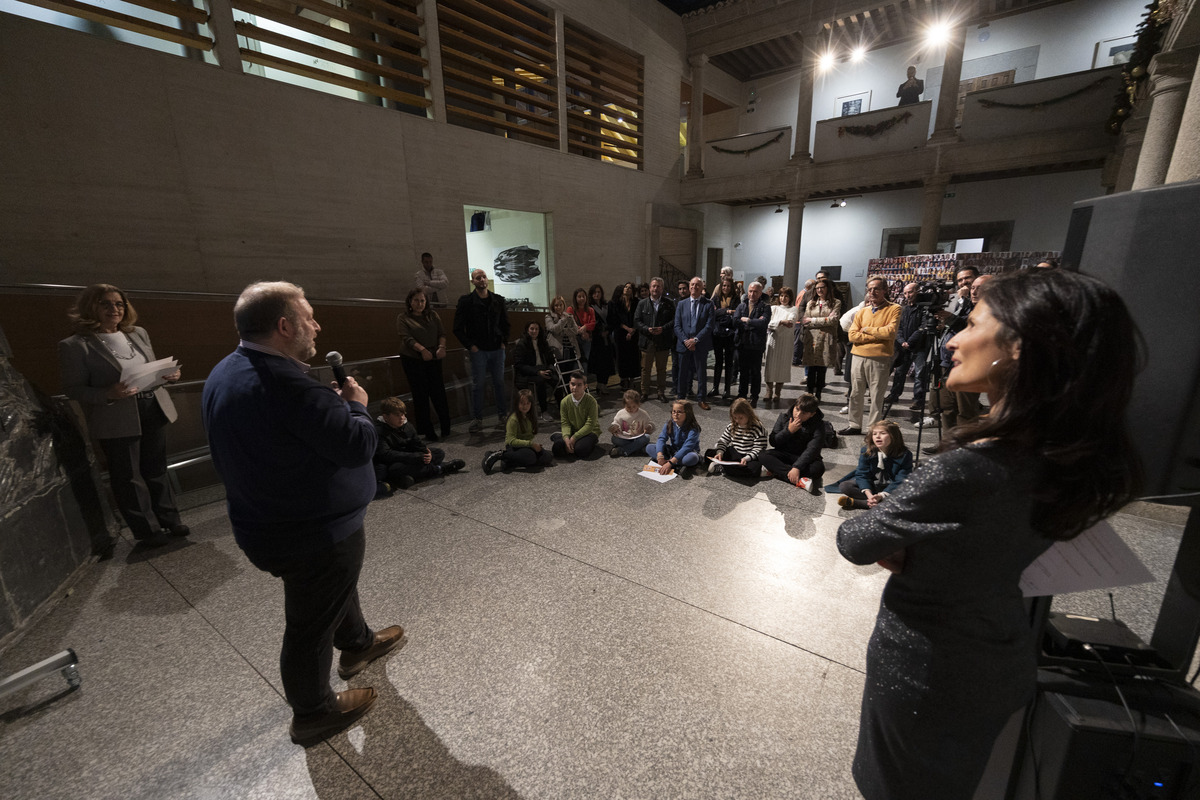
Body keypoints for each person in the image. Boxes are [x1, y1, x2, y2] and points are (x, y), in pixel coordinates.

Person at [836, 269, 1142, 800]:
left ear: (1018, 347)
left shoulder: (967, 470)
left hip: (927, 668)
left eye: (972, 322)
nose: (952, 339)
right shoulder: (1063, 457)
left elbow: (856, 540)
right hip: (1000, 655)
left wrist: (904, 536)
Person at [201, 281, 403, 746]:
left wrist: (330, 409)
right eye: (309, 317)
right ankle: (313, 711)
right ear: (284, 325)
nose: (317, 325)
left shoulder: (226, 371)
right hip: (312, 532)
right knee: (311, 621)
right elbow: (357, 446)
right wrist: (355, 407)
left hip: (272, 518)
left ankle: (356, 644)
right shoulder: (287, 384)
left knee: (333, 591)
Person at [59, 283, 188, 545]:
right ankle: (148, 532)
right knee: (128, 475)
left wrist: (168, 376)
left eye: (119, 304)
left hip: (152, 406)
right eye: (105, 303)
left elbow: (148, 372)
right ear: (90, 307)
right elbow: (73, 389)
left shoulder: (138, 333)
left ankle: (170, 520)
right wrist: (107, 393)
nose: (114, 309)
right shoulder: (75, 345)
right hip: (114, 415)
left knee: (156, 468)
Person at [842, 276, 901, 435]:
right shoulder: (861, 312)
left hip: (879, 358)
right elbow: (852, 335)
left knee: (876, 395)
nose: (872, 292)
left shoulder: (894, 309)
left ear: (884, 290)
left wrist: (867, 330)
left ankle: (873, 428)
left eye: (876, 289)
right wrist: (876, 336)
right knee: (855, 393)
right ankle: (854, 425)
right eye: (870, 289)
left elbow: (889, 332)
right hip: (857, 357)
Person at [454, 269, 510, 432]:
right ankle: (477, 419)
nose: (482, 280)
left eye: (484, 277)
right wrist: (471, 346)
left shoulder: (498, 300)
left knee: (499, 383)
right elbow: (457, 328)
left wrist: (503, 342)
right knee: (478, 385)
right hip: (478, 351)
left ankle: (502, 416)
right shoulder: (466, 302)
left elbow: (506, 324)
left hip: (497, 349)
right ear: (473, 281)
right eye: (478, 278)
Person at [372, 397, 465, 494]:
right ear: (386, 417)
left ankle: (405, 477)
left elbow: (417, 443)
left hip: (410, 457)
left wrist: (425, 453)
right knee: (395, 469)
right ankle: (440, 468)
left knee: (438, 453)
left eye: (403, 414)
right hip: (393, 462)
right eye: (397, 415)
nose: (402, 418)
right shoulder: (379, 431)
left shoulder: (406, 425)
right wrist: (415, 457)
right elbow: (386, 454)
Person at [396, 287, 451, 440]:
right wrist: (422, 350)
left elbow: (442, 334)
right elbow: (406, 338)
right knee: (420, 395)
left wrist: (441, 347)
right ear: (410, 301)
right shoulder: (403, 317)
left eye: (422, 300)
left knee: (438, 392)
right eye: (416, 300)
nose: (419, 303)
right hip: (413, 359)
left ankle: (446, 426)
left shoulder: (433, 315)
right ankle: (428, 430)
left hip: (433, 357)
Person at [832, 420, 913, 510]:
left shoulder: (905, 454)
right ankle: (877, 504)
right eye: (874, 434)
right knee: (845, 486)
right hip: (874, 485)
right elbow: (862, 474)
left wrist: (882, 495)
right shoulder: (867, 450)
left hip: (891, 488)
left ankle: (858, 503)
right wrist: (869, 494)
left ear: (893, 436)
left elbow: (901, 480)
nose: (877, 436)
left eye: (882, 433)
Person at [759, 394, 825, 494]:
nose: (798, 414)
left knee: (818, 469)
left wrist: (797, 467)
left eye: (804, 413)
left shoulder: (818, 425)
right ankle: (800, 481)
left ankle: (777, 471)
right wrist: (788, 431)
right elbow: (773, 441)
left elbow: (813, 449)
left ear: (812, 414)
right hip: (784, 454)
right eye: (797, 409)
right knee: (763, 455)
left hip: (803, 458)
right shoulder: (784, 417)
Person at [482, 389, 553, 474]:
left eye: (528, 403)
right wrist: (531, 444)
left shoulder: (530, 416)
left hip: (526, 446)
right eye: (522, 403)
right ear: (517, 403)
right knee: (530, 457)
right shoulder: (513, 419)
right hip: (514, 447)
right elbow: (510, 441)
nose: (525, 406)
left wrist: (534, 446)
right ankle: (500, 455)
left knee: (547, 457)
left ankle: (510, 461)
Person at [883, 283, 927, 417]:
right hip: (904, 347)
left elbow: (923, 327)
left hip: (920, 347)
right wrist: (902, 341)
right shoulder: (904, 309)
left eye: (910, 292)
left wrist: (911, 341)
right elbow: (899, 327)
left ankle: (918, 400)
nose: (908, 295)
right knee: (899, 372)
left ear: (917, 292)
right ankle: (894, 394)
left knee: (920, 374)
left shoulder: (924, 309)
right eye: (906, 293)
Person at [674, 277, 715, 410]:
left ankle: (701, 398)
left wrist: (695, 340)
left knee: (701, 372)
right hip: (684, 343)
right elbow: (677, 325)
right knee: (682, 372)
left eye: (697, 285)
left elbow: (709, 326)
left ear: (702, 288)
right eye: (692, 285)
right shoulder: (681, 304)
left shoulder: (708, 304)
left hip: (700, 343)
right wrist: (686, 341)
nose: (694, 287)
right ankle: (681, 397)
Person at [634, 277, 675, 402]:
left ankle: (661, 392)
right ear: (650, 288)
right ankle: (645, 392)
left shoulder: (668, 303)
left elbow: (674, 321)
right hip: (647, 341)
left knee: (661, 369)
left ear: (662, 289)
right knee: (645, 369)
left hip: (662, 341)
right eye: (654, 286)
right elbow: (636, 320)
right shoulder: (642, 303)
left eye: (658, 286)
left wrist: (663, 328)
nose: (655, 288)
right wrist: (647, 329)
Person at [800, 279, 841, 402]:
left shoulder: (835, 303)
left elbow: (833, 320)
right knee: (811, 367)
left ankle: (818, 393)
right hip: (811, 338)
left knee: (822, 367)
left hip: (826, 338)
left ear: (828, 288)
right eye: (817, 288)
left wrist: (813, 321)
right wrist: (823, 321)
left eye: (822, 287)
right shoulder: (811, 303)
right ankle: (809, 393)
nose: (819, 290)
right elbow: (805, 321)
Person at [704, 397, 767, 477]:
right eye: (735, 418)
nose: (737, 421)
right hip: (735, 453)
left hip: (749, 456)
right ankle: (724, 465)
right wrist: (720, 453)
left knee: (752, 469)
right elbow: (723, 440)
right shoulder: (732, 425)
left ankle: (723, 467)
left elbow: (759, 449)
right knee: (708, 454)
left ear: (748, 414)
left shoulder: (757, 427)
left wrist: (746, 458)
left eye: (741, 418)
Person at [733, 280, 770, 407]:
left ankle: (754, 396)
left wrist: (748, 321)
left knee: (755, 372)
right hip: (742, 343)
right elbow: (735, 321)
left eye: (755, 292)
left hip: (756, 345)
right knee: (743, 371)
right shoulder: (741, 306)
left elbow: (763, 323)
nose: (752, 294)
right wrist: (754, 322)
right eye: (750, 291)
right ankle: (742, 395)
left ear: (760, 293)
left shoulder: (765, 307)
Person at [511, 320, 557, 421]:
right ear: (527, 330)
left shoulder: (543, 342)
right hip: (528, 372)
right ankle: (544, 411)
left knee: (556, 379)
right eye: (532, 329)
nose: (534, 331)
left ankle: (562, 408)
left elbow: (551, 359)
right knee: (541, 382)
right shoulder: (522, 344)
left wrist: (550, 369)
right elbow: (519, 365)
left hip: (543, 369)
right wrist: (537, 372)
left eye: (536, 329)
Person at [551, 371, 600, 460]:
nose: (575, 387)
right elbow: (565, 423)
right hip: (573, 430)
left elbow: (590, 425)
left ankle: (563, 439)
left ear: (585, 386)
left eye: (579, 385)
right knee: (556, 450)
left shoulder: (591, 401)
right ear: (569, 384)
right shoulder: (564, 402)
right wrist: (566, 439)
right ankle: (561, 437)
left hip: (590, 432)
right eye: (572, 384)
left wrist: (574, 438)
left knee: (581, 450)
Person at [764, 286, 798, 405]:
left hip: (785, 341)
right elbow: (767, 323)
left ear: (790, 297)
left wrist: (777, 325)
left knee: (782, 366)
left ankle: (777, 392)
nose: (783, 298)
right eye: (782, 296)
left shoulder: (794, 309)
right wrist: (781, 322)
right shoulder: (773, 308)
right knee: (770, 365)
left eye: (786, 296)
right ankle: (768, 391)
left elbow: (791, 323)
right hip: (772, 340)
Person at [648, 399, 701, 476]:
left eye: (679, 412)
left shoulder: (693, 428)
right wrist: (660, 455)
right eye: (674, 411)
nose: (676, 414)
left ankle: (670, 462)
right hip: (673, 451)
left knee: (692, 458)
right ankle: (672, 463)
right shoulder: (669, 423)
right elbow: (661, 439)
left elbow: (687, 447)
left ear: (687, 413)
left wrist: (670, 462)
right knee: (649, 447)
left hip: (688, 452)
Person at [710, 275, 741, 401]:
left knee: (729, 363)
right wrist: (727, 311)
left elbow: (737, 314)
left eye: (728, 286)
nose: (725, 288)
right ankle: (715, 387)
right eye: (723, 285)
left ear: (731, 287)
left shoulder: (736, 299)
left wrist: (722, 312)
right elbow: (713, 313)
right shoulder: (716, 298)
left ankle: (727, 389)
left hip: (730, 335)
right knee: (718, 362)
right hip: (718, 334)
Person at [611, 282, 640, 391]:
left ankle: (632, 380)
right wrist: (627, 329)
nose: (627, 289)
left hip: (634, 333)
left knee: (633, 356)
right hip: (621, 333)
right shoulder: (617, 303)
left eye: (630, 288)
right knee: (622, 357)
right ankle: (624, 379)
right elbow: (615, 319)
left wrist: (632, 330)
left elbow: (639, 317)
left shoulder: (636, 302)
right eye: (626, 287)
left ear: (633, 291)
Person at [608, 389, 654, 457]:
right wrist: (615, 427)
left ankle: (621, 450)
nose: (631, 409)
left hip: (638, 437)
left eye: (634, 406)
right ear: (624, 405)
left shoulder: (643, 413)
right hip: (624, 437)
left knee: (646, 438)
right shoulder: (621, 413)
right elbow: (616, 422)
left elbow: (650, 424)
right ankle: (638, 448)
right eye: (628, 407)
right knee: (614, 439)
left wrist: (649, 427)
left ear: (638, 404)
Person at [588, 284, 615, 396]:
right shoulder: (590, 307)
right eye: (594, 292)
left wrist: (608, 330)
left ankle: (604, 384)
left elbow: (612, 319)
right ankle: (600, 385)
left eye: (599, 292)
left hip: (607, 338)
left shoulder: (606, 305)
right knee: (599, 363)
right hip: (596, 340)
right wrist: (599, 332)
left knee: (608, 361)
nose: (597, 294)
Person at [544, 295, 581, 363]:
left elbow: (575, 330)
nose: (559, 307)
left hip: (570, 346)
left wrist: (562, 331)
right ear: (553, 306)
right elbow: (554, 329)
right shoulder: (549, 317)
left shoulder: (569, 316)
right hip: (557, 348)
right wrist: (563, 320)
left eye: (561, 305)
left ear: (564, 305)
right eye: (556, 305)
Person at [568, 287, 596, 366]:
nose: (582, 298)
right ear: (575, 298)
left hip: (587, 339)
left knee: (584, 361)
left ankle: (584, 378)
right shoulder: (571, 309)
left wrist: (585, 327)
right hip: (575, 339)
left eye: (583, 296)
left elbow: (593, 324)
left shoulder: (590, 310)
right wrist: (582, 331)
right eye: (579, 296)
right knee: (576, 362)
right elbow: (570, 324)